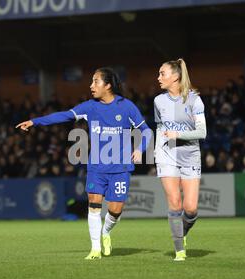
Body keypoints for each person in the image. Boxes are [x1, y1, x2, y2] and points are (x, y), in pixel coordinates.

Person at [16, 68, 152, 260]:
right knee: (94, 206)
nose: (91, 86)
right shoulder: (90, 107)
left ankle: (106, 232)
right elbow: (64, 115)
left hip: (120, 168)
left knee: (115, 210)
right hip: (96, 167)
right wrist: (34, 121)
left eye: (96, 82)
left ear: (108, 85)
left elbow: (146, 131)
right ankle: (95, 248)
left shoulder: (126, 107)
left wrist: (140, 149)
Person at [154, 58, 207, 262]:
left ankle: (182, 232)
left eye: (162, 74)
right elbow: (160, 129)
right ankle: (179, 251)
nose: (159, 78)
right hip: (167, 155)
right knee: (175, 203)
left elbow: (202, 132)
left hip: (190, 155)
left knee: (191, 208)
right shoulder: (158, 101)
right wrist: (157, 152)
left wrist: (178, 134)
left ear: (175, 76)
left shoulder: (194, 100)